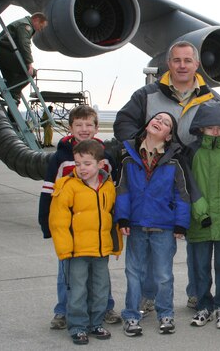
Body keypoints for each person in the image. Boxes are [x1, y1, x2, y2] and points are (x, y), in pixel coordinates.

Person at [113, 40, 220, 309]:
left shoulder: (211, 97)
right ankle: (149, 295)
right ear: (168, 63)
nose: (182, 65)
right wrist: (142, 148)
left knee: (196, 235)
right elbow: (123, 121)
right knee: (159, 236)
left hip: (198, 171)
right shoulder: (148, 94)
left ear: (197, 64)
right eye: (177, 60)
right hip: (159, 174)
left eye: (188, 60)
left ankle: (196, 292)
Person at [38, 104, 120, 330]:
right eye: (78, 125)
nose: (84, 129)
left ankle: (105, 307)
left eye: (88, 125)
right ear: (70, 127)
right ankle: (63, 311)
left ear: (96, 128)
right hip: (70, 230)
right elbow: (48, 190)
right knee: (67, 275)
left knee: (100, 275)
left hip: (98, 230)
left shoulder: (105, 156)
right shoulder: (61, 157)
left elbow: (111, 192)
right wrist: (47, 224)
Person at [115, 112, 191, 337]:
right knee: (133, 272)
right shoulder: (128, 156)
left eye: (166, 122)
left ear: (169, 136)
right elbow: (122, 190)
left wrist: (181, 224)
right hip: (136, 224)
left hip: (164, 225)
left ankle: (165, 313)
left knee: (163, 274)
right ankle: (131, 314)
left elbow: (182, 195)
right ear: (147, 125)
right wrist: (123, 218)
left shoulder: (175, 161)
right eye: (156, 119)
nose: (159, 122)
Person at [49, 139, 121, 345]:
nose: (81, 169)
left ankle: (96, 322)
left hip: (101, 250)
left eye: (87, 164)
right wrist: (64, 250)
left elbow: (112, 216)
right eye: (78, 164)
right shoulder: (68, 187)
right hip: (76, 251)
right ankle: (78, 326)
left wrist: (115, 244)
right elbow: (58, 221)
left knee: (100, 288)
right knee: (78, 289)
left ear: (100, 164)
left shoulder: (108, 187)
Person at [185, 101, 220, 329]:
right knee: (199, 266)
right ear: (201, 128)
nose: (216, 132)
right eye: (210, 128)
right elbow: (188, 184)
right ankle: (203, 305)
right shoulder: (191, 152)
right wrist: (200, 212)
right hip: (200, 221)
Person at [0, 12, 48, 103]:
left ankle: (11, 113)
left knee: (15, 95)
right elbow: (24, 44)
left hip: (3, 55)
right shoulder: (25, 26)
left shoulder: (22, 24)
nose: (40, 30)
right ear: (36, 20)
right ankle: (11, 92)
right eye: (41, 26)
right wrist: (29, 63)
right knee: (31, 73)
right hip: (6, 55)